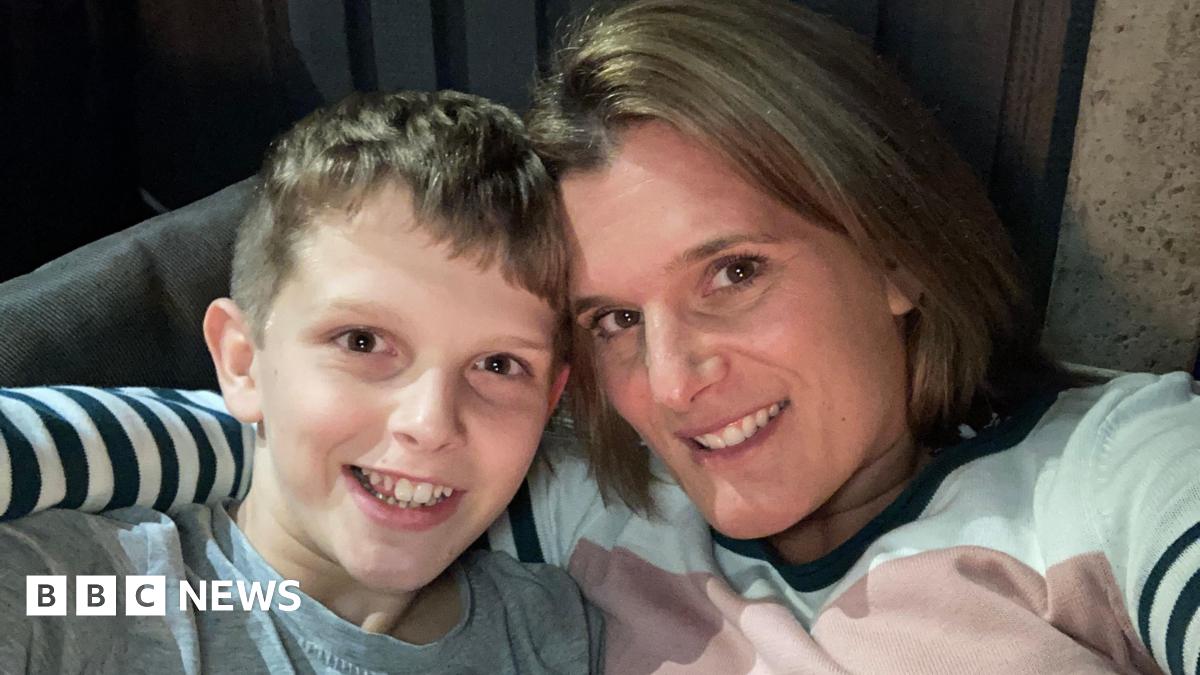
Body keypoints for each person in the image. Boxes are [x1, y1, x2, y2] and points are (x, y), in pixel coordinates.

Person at [2, 1, 1196, 673]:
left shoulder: (1111, 473)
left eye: (732, 271)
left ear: (893, 249)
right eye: (614, 320)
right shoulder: (595, 495)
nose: (671, 381)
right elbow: (304, 464)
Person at [0, 90, 602, 673]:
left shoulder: (562, 632)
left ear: (550, 402)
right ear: (243, 362)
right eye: (362, 341)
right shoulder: (77, 597)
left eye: (498, 365)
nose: (429, 424)